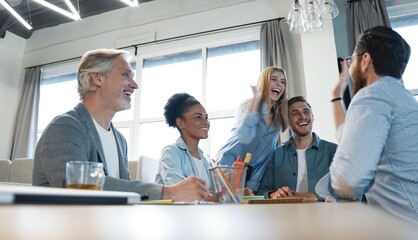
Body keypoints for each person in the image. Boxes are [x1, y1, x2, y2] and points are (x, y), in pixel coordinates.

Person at [33, 49, 209, 202]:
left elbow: (124, 192)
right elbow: (76, 186)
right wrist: (166, 192)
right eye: (125, 75)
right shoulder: (66, 127)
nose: (134, 85)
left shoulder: (120, 140)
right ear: (98, 78)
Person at [315, 26, 418, 223]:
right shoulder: (404, 99)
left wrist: (329, 188)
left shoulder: (371, 96)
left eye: (352, 60)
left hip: (404, 228)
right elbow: (348, 136)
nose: (351, 68)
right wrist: (336, 95)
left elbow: (348, 182)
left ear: (365, 60)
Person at [216, 66, 288, 193]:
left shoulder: (278, 120)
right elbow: (244, 136)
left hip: (250, 176)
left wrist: (252, 186)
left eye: (283, 82)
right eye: (274, 79)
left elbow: (265, 155)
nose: (279, 84)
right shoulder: (246, 106)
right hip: (227, 166)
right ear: (264, 82)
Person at [258, 96, 337, 199]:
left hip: (323, 213)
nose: (302, 116)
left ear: (312, 117)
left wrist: (314, 196)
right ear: (287, 121)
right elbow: (261, 191)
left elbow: (347, 191)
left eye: (306, 112)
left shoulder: (334, 152)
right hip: (286, 213)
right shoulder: (275, 155)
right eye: (295, 113)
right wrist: (273, 194)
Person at [155, 93, 211, 189]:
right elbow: (180, 190)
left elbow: (215, 194)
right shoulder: (170, 153)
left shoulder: (204, 159)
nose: (205, 122)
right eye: (198, 117)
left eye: (206, 117)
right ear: (180, 123)